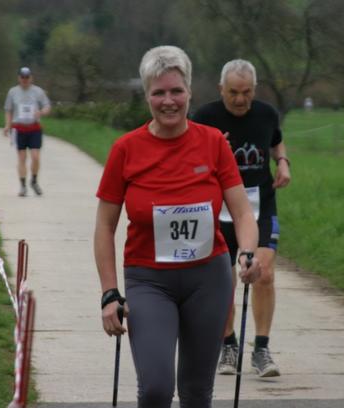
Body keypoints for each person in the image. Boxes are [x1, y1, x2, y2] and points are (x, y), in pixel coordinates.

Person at [94, 46, 261, 408]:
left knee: (197, 393)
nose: (168, 101)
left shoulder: (213, 143)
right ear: (147, 95)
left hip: (208, 278)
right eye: (159, 92)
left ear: (189, 92)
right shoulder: (126, 149)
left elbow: (243, 213)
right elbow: (105, 227)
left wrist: (248, 252)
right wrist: (109, 293)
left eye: (176, 91)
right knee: (155, 389)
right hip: (149, 280)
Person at [192, 59, 291, 378]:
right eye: (233, 92)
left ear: (254, 90)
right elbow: (187, 156)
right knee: (223, 280)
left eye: (246, 92)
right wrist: (210, 149)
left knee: (264, 273)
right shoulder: (204, 118)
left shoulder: (266, 114)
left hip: (260, 204)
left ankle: (261, 349)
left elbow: (275, 141)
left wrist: (283, 162)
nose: (240, 99)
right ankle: (228, 345)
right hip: (218, 207)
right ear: (221, 89)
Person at [3, 67, 51, 197]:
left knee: (35, 156)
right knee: (22, 157)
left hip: (34, 128)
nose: (25, 80)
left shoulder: (38, 91)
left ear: (31, 78)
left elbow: (47, 106)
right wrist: (7, 125)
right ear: (19, 78)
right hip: (19, 128)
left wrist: (41, 112)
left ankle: (34, 181)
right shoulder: (13, 92)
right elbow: (8, 110)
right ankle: (23, 186)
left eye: (27, 77)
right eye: (22, 77)